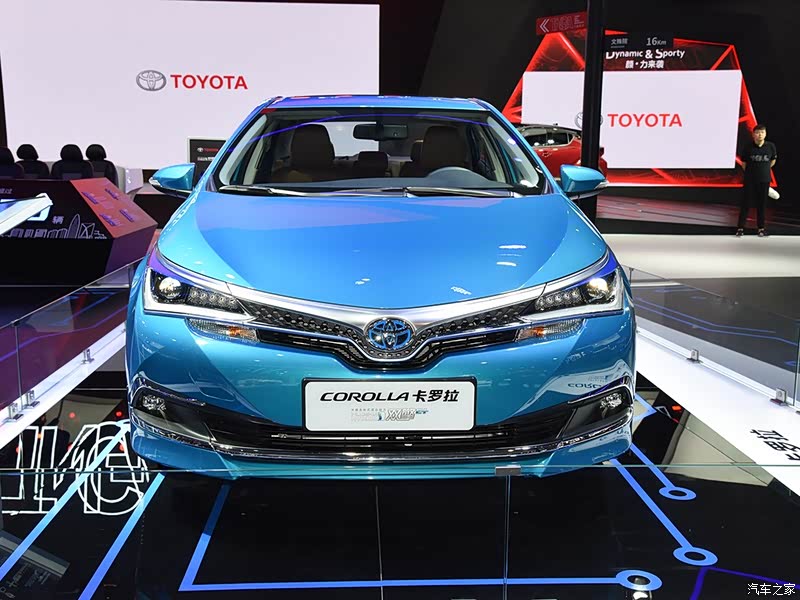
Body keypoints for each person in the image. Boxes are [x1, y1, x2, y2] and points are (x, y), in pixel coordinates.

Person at [736, 124, 777, 237]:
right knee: (746, 204)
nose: (760, 135)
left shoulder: (771, 146)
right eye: (758, 132)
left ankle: (761, 228)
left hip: (764, 179)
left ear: (765, 134)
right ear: (753, 134)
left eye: (762, 132)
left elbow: (772, 161)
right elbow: (744, 164)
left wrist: (763, 170)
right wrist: (752, 172)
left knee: (762, 205)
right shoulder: (748, 147)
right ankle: (740, 228)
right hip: (750, 180)